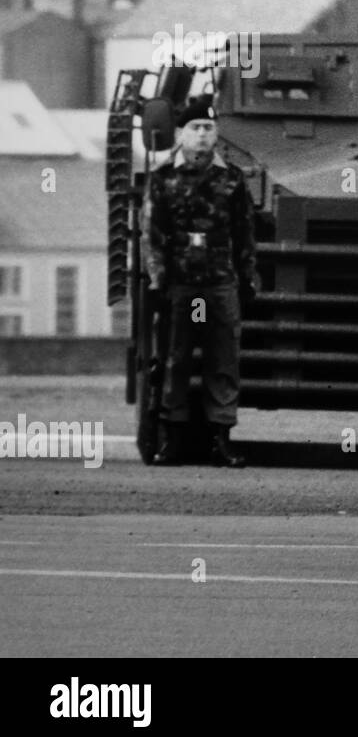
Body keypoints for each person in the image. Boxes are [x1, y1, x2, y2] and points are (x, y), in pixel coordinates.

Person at [144, 94, 257, 469]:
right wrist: (158, 283)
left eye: (209, 128)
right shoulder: (163, 178)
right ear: (181, 133)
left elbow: (244, 233)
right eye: (196, 128)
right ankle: (171, 442)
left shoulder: (232, 179)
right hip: (181, 287)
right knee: (175, 360)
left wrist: (247, 278)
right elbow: (153, 234)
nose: (203, 135)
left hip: (219, 285)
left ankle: (220, 442)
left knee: (222, 361)